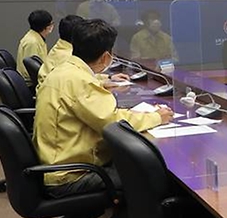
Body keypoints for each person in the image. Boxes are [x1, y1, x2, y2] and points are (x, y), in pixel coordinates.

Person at [34, 19, 172, 200]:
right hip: (69, 176)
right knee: (149, 175)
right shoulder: (79, 82)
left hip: (59, 162)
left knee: (134, 163)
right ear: (106, 57)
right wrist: (156, 117)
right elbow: (114, 124)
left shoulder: (66, 71)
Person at [36, 15, 130, 90]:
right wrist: (105, 84)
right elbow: (81, 83)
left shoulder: (61, 47)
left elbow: (84, 77)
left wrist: (109, 78)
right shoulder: (67, 57)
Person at [17, 9, 53, 84]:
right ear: (46, 27)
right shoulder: (32, 42)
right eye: (51, 24)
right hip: (32, 85)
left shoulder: (35, 37)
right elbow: (33, 70)